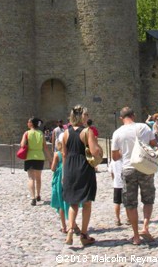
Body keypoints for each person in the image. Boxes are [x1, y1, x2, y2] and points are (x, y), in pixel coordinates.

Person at [111, 106, 157, 245]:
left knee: (130, 203)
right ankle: (146, 227)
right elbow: (154, 145)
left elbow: (114, 156)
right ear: (134, 115)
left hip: (128, 168)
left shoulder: (117, 133)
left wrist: (125, 152)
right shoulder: (144, 127)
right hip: (144, 166)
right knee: (148, 199)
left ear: (121, 118)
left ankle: (136, 236)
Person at [62, 105, 101, 246]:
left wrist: (64, 173)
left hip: (70, 168)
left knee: (73, 203)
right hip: (83, 167)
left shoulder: (66, 133)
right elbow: (94, 151)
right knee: (86, 203)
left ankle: (71, 229)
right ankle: (84, 234)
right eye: (86, 115)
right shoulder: (87, 132)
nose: (88, 117)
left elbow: (64, 154)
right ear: (81, 117)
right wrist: (97, 145)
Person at [21, 117, 51, 206]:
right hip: (39, 157)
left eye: (28, 122)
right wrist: (51, 159)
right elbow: (45, 147)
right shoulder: (41, 133)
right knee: (38, 178)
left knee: (31, 178)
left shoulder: (26, 133)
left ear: (31, 124)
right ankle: (38, 195)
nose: (27, 123)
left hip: (29, 157)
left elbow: (22, 145)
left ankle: (33, 197)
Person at [50, 140, 68, 233]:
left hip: (59, 179)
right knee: (69, 201)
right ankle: (73, 225)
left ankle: (64, 226)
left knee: (61, 202)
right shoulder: (68, 153)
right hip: (68, 176)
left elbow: (53, 168)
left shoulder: (57, 154)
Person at [109, 158, 126, 226]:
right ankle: (128, 218)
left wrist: (114, 180)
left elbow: (111, 172)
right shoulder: (125, 160)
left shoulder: (113, 161)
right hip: (125, 184)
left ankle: (117, 218)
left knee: (117, 202)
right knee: (127, 203)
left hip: (117, 184)